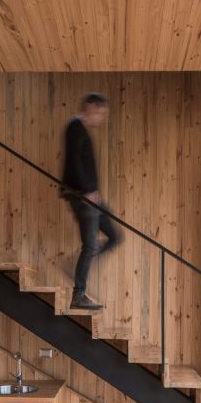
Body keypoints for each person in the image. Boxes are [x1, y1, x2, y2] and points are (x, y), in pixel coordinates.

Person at [61, 93, 121, 310]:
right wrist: (85, 191)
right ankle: (78, 295)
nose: (102, 118)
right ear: (90, 106)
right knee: (91, 245)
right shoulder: (75, 127)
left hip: (91, 197)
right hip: (83, 196)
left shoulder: (81, 129)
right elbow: (74, 161)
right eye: (101, 113)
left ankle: (76, 267)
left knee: (115, 237)